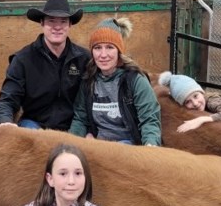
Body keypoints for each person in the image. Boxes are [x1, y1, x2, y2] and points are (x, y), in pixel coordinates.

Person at [0, 0, 91, 131]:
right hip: (35, 125)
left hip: (74, 126)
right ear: (42, 23)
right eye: (51, 21)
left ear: (70, 24)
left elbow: (92, 100)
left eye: (63, 21)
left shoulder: (84, 58)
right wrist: (6, 121)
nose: (57, 27)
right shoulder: (23, 59)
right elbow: (8, 99)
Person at [68, 17, 162, 146]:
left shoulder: (135, 80)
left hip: (128, 146)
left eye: (110, 47)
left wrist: (150, 146)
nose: (103, 54)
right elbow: (80, 119)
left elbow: (149, 119)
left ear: (119, 51)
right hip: (99, 145)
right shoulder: (88, 81)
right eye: (97, 48)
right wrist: (70, 145)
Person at [157, 71, 221, 130]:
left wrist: (201, 119)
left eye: (195, 96)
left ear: (201, 91)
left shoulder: (212, 101)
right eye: (187, 102)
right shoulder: (200, 102)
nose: (195, 103)